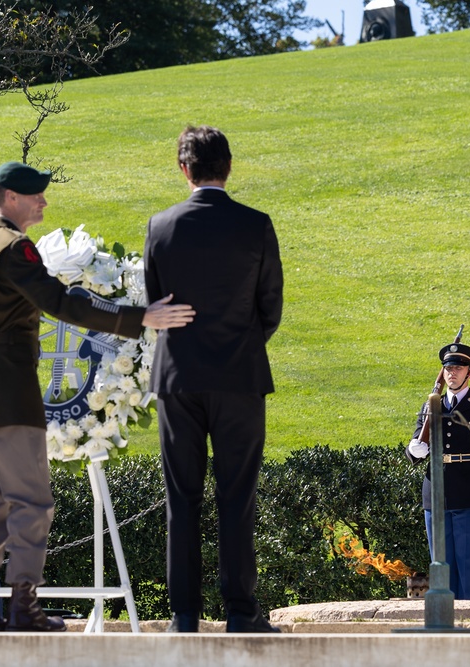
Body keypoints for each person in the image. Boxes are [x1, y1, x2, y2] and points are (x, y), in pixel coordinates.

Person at [0, 161, 195, 632]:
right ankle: (23, 606)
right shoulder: (14, 249)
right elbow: (63, 303)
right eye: (36, 194)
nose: (43, 201)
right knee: (31, 502)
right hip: (9, 394)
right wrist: (140, 316)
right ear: (11, 199)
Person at [143, 126, 284, 633]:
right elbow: (271, 308)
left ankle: (184, 614)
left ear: (184, 169)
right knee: (236, 494)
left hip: (178, 377)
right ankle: (240, 612)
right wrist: (241, 344)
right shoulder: (256, 225)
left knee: (180, 496)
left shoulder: (160, 227)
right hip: (239, 376)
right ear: (229, 166)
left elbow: (155, 306)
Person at [407, 342, 470, 600]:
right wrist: (413, 450)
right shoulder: (431, 405)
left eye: (459, 368)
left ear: (469, 373)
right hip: (435, 494)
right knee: (441, 567)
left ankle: (468, 620)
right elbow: (417, 445)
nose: (453, 373)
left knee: (467, 566)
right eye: (448, 368)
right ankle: (444, 622)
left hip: (469, 493)